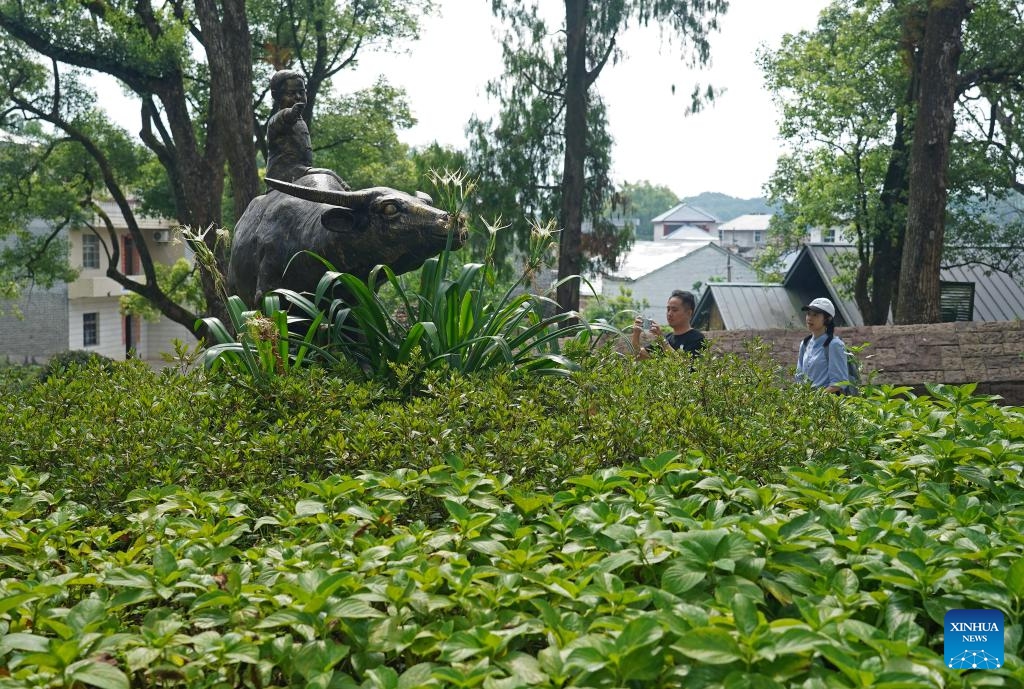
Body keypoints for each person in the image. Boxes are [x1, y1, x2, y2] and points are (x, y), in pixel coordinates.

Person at [265, 70, 347, 187]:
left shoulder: (300, 121)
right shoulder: (277, 119)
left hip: (301, 170)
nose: (298, 97)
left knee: (328, 177)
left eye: (301, 92)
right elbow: (285, 116)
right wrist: (292, 112)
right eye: (291, 93)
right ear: (276, 95)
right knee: (328, 174)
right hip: (283, 174)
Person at [796, 297, 850, 394]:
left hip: (826, 404)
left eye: (815, 315)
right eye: (808, 314)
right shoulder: (805, 343)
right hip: (805, 403)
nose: (810, 318)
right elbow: (799, 376)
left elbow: (839, 382)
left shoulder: (834, 345)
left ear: (827, 319)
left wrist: (817, 399)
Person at [632, 290, 706, 358]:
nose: (669, 313)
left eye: (674, 310)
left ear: (689, 313)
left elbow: (685, 366)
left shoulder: (697, 339)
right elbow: (640, 356)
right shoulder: (667, 338)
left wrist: (663, 341)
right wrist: (636, 334)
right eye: (668, 309)